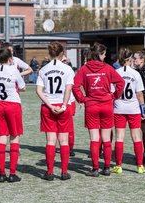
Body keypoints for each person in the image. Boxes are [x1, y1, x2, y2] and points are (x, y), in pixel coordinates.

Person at [72, 42, 125, 177]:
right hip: (106, 105)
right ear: (100, 54)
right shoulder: (107, 68)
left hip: (92, 106)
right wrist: (114, 96)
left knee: (94, 138)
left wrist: (83, 99)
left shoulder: (84, 69)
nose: (105, 56)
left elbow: (75, 86)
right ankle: (106, 167)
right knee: (106, 138)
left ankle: (95, 168)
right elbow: (121, 82)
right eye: (104, 54)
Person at [36, 41, 75, 181]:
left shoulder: (43, 69)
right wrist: (64, 105)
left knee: (50, 141)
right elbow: (68, 89)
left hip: (48, 106)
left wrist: (50, 105)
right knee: (63, 141)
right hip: (63, 106)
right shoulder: (67, 69)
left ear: (50, 54)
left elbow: (39, 90)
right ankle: (64, 172)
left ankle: (50, 172)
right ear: (62, 54)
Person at [0, 48, 26, 183]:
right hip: (13, 105)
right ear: (10, 58)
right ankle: (12, 173)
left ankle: (1, 173)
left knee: (1, 139)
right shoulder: (13, 70)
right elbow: (23, 87)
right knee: (14, 138)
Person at [111, 48, 145, 175]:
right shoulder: (135, 74)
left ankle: (118, 166)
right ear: (129, 59)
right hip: (133, 109)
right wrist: (143, 109)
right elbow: (139, 94)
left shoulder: (116, 73)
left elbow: (112, 93)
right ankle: (140, 165)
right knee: (136, 137)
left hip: (119, 108)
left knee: (119, 137)